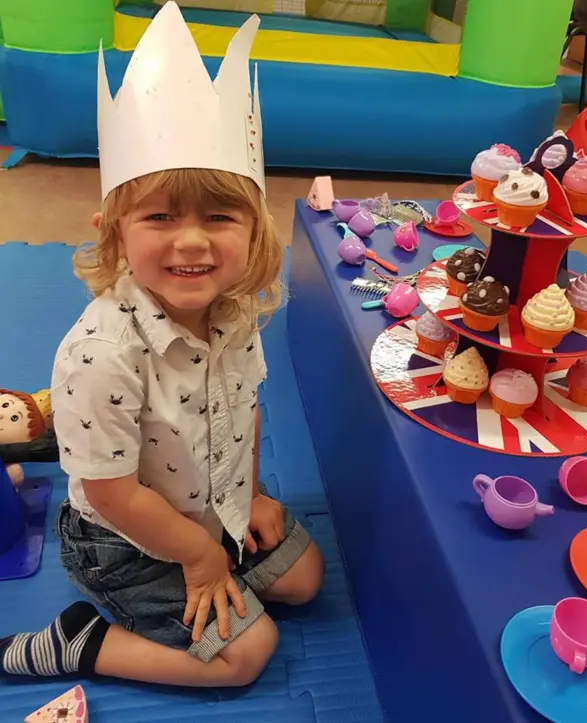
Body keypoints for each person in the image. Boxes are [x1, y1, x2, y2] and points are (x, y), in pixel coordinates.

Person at [0, 3, 324, 688]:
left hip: (212, 508)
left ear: (254, 231)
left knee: (306, 578)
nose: (192, 239)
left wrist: (251, 498)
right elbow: (113, 494)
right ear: (114, 233)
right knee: (245, 655)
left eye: (218, 215)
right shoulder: (100, 353)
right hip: (124, 540)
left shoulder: (235, 313)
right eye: (159, 216)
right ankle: (83, 642)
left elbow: (247, 409)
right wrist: (202, 554)